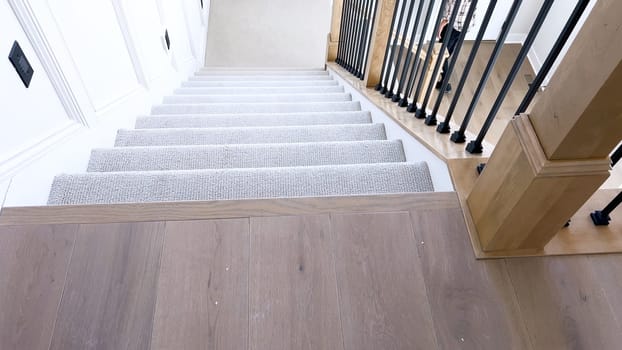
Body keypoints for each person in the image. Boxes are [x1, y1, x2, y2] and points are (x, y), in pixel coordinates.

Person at [436, 0, 475, 93]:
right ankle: (441, 76)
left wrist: (444, 21)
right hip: (463, 25)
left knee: (442, 54)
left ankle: (444, 82)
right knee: (446, 53)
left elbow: (455, 5)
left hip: (454, 25)